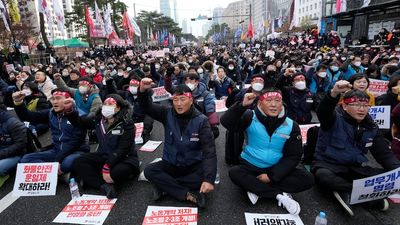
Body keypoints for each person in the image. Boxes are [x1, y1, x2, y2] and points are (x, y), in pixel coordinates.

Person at [312, 80, 400, 216]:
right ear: (345, 106)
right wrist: (334, 93)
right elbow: (323, 110)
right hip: (329, 165)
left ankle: (351, 192)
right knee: (324, 177)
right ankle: (359, 194)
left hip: (354, 168)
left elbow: (384, 154)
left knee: (385, 175)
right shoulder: (333, 119)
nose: (361, 109)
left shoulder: (371, 127)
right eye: (356, 104)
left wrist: (397, 172)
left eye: (365, 105)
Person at [221, 88, 314, 215]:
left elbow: (293, 156)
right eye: (269, 100)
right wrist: (241, 106)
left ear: (282, 103)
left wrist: (272, 176)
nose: (274, 104)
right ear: (260, 103)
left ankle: (256, 188)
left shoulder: (292, 125)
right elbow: (226, 122)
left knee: (307, 179)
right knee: (234, 173)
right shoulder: (249, 116)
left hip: (277, 168)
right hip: (250, 165)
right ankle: (279, 195)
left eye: (277, 100)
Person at [139, 79, 217, 208]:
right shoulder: (166, 113)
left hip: (192, 165)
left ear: (191, 100)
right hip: (171, 163)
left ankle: (165, 186)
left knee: (207, 176)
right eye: (176, 100)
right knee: (149, 171)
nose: (179, 104)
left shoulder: (201, 120)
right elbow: (146, 107)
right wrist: (142, 91)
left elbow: (209, 152)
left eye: (182, 99)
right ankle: (187, 194)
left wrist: (209, 180)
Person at [68, 94, 140, 199]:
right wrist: (70, 111)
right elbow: (80, 123)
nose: (106, 107)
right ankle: (104, 186)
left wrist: (107, 166)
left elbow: (123, 149)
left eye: (110, 104)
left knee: (115, 172)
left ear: (118, 108)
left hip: (124, 158)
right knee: (79, 162)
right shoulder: (98, 120)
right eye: (105, 104)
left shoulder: (127, 124)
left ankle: (94, 179)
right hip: (104, 155)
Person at [13, 89, 90, 175]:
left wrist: (58, 159)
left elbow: (76, 141)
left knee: (66, 163)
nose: (55, 102)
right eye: (53, 99)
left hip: (76, 151)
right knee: (26, 159)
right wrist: (18, 102)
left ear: (69, 100)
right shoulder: (50, 113)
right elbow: (28, 116)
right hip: (56, 150)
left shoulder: (80, 116)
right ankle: (54, 174)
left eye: (58, 98)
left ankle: (53, 172)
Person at [0, 95, 27, 188]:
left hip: (16, 154)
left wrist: (1, 154)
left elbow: (20, 145)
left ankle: (6, 174)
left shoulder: (12, 123)